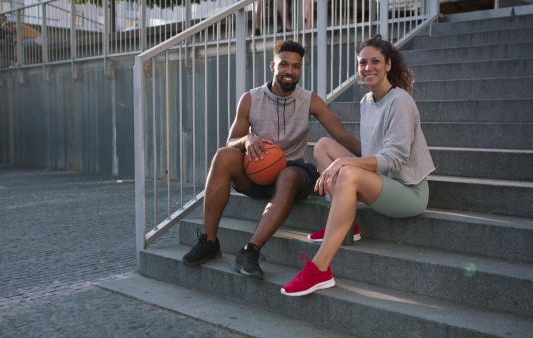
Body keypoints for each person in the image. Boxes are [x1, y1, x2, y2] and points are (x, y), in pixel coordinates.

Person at [181, 40, 361, 280]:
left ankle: (250, 251)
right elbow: (230, 141)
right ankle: (210, 241)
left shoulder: (310, 100)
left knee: (288, 175)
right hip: (257, 172)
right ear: (272, 66)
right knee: (223, 156)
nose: (290, 71)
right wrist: (245, 140)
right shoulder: (251, 99)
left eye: (296, 66)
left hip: (294, 171)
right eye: (284, 64)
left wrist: (373, 159)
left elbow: (340, 133)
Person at [281, 35, 435, 296]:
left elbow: (395, 159)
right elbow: (372, 152)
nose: (368, 68)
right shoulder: (367, 102)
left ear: (388, 65)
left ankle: (320, 269)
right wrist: (341, 160)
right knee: (322, 146)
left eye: (375, 61)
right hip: (383, 180)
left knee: (347, 171)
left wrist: (344, 163)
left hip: (409, 190)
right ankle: (347, 223)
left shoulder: (400, 101)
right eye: (362, 63)